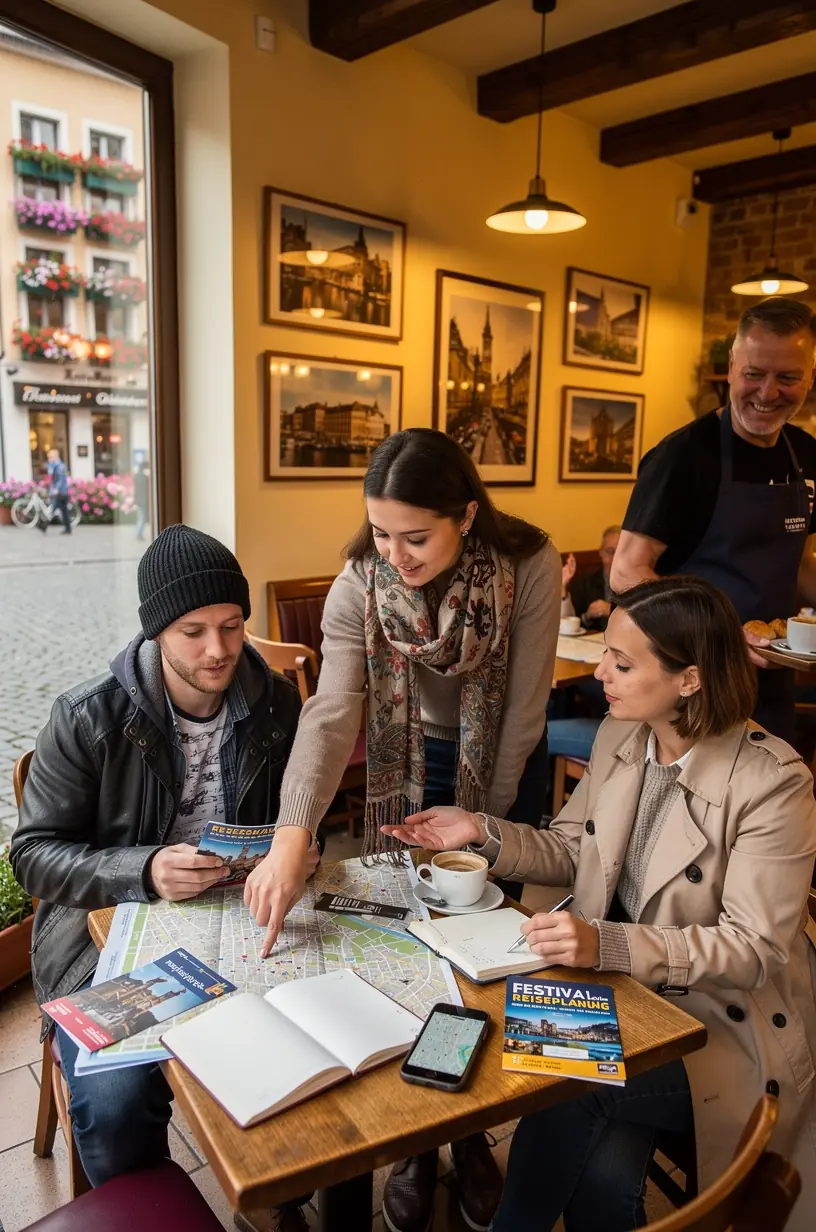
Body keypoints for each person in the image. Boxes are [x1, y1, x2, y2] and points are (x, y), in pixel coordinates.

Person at [383, 575, 816, 1232]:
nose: (601, 672)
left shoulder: (772, 782)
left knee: (566, 1090)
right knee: (601, 1165)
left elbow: (754, 949)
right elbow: (573, 848)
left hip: (723, 1028)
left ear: (690, 680)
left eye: (622, 661)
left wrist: (608, 943)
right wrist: (482, 830)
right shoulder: (624, 735)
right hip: (626, 995)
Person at [244, 427, 562, 1232]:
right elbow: (330, 713)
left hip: (497, 766)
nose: (397, 553)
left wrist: (477, 834)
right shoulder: (361, 581)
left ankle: (473, 1135)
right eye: (382, 532)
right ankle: (420, 1144)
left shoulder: (526, 566)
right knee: (415, 945)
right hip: (403, 760)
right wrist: (292, 832)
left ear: (466, 512)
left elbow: (523, 711)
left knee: (484, 950)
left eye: (415, 537)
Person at [11, 525, 312, 1232]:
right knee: (113, 1102)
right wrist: (141, 868)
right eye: (193, 632)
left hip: (238, 921)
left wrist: (289, 854)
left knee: (310, 1046)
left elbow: (298, 822)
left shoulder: (274, 705)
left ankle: (280, 1196)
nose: (218, 651)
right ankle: (154, 1211)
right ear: (154, 634)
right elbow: (31, 854)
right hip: (107, 940)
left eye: (233, 627)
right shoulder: (87, 718)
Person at [612, 296, 816, 742]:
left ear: (810, 378)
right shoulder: (683, 457)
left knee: (768, 805)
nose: (767, 393)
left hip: (772, 681)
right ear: (731, 367)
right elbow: (627, 570)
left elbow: (799, 565)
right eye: (753, 374)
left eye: (787, 378)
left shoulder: (807, 454)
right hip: (689, 683)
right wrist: (718, 636)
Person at [561, 524, 620, 632]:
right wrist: (587, 616)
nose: (615, 558)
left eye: (620, 552)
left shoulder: (637, 584)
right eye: (610, 552)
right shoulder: (585, 583)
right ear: (601, 552)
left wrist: (612, 611)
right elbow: (572, 625)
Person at [41, 447, 71, 534]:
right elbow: (52, 478)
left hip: (60, 493)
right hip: (59, 492)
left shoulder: (60, 466)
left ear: (55, 457)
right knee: (63, 511)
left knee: (54, 508)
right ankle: (68, 529)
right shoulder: (53, 466)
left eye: (50, 457)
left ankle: (44, 525)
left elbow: (61, 479)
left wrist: (56, 490)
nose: (49, 459)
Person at [134, 460, 150, 542]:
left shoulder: (137, 476)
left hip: (139, 500)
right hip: (144, 500)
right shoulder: (145, 477)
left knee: (140, 517)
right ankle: (139, 534)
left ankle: (138, 533)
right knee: (142, 518)